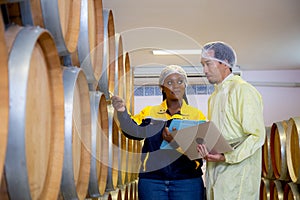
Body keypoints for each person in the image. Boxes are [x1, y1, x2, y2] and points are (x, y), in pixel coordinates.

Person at [112, 65, 206, 200]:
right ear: (162, 87)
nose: (175, 86)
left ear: (185, 86)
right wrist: (122, 111)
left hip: (187, 181)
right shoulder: (149, 112)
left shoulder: (196, 115)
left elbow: (200, 149)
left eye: (180, 81)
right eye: (169, 82)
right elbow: (132, 131)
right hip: (152, 181)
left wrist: (174, 142)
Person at [197, 41, 266, 200]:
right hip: (215, 175)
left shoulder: (243, 90)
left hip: (238, 177)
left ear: (224, 64)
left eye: (208, 64)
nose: (204, 70)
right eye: (203, 65)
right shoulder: (214, 97)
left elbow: (256, 136)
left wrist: (226, 157)